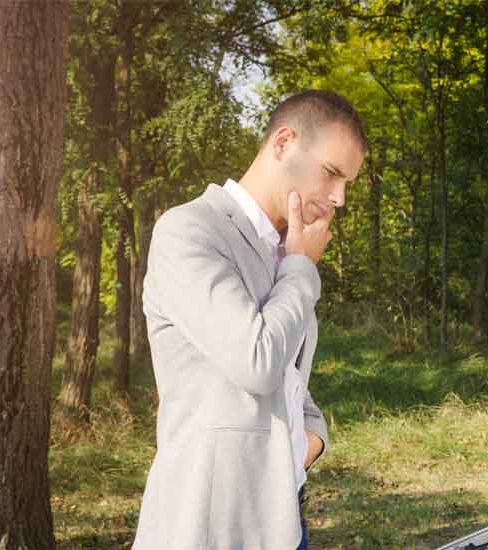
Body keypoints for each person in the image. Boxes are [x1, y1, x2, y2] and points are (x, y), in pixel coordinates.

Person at [131, 90, 366, 550]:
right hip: (207, 527)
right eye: (332, 174)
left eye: (348, 185)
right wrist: (301, 268)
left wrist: (313, 437)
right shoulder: (190, 230)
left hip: (281, 523)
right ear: (283, 144)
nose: (338, 198)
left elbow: (290, 381)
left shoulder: (282, 250)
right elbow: (257, 361)